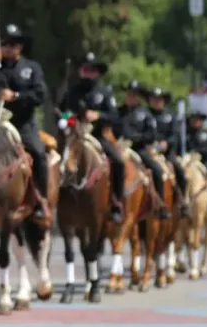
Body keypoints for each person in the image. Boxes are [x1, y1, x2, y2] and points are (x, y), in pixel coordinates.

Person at [0, 23, 48, 221]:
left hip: (23, 124)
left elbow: (40, 95)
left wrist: (15, 96)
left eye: (13, 44)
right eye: (5, 44)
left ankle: (41, 200)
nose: (8, 47)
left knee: (39, 153)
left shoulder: (32, 68)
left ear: (20, 47)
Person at [58, 53, 124, 223]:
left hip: (97, 136)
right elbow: (62, 112)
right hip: (75, 135)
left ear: (97, 73)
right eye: (85, 69)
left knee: (118, 162)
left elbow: (114, 116)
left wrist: (98, 115)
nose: (87, 73)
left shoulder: (105, 92)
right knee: (56, 158)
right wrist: (69, 119)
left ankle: (116, 202)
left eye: (91, 70)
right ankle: (57, 196)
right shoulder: (72, 92)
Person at [116, 82, 169, 220]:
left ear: (139, 97)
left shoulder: (146, 114)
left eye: (134, 94)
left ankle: (160, 204)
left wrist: (137, 138)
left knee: (157, 170)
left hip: (138, 148)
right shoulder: (118, 112)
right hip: (119, 147)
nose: (131, 97)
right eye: (129, 94)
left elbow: (151, 134)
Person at [148, 87, 190, 218]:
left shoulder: (171, 116)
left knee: (180, 171)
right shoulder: (145, 114)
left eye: (159, 99)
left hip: (166, 153)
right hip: (148, 151)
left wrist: (166, 143)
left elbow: (175, 135)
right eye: (154, 99)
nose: (156, 102)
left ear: (164, 101)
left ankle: (182, 201)